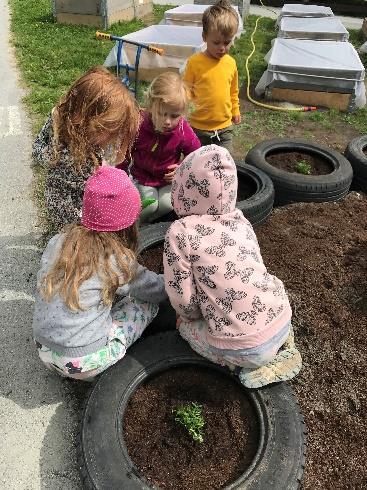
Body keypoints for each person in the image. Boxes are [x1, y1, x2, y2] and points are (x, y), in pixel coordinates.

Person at [163, 145, 302, 389]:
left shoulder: (181, 232)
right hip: (281, 316)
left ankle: (240, 367)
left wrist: (187, 318)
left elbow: (182, 295)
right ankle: (282, 345)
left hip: (244, 347)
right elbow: (254, 265)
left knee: (186, 330)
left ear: (184, 188)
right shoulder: (240, 220)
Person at [32, 166, 167, 381]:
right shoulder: (115, 259)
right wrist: (172, 282)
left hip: (43, 347)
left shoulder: (59, 242)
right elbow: (156, 290)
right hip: (84, 361)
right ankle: (96, 371)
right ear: (129, 223)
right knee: (145, 303)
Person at [32, 66, 140, 231]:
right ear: (84, 119)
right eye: (106, 130)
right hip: (64, 203)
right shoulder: (58, 121)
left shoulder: (98, 139)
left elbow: (112, 162)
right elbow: (37, 150)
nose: (109, 137)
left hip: (93, 201)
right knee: (73, 238)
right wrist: (55, 157)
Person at [118, 72, 201, 224]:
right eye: (162, 114)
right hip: (142, 177)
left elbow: (197, 155)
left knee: (167, 204)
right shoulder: (140, 124)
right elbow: (125, 150)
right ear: (151, 106)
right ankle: (132, 227)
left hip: (167, 181)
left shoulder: (182, 130)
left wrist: (181, 169)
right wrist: (120, 176)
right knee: (149, 205)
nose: (167, 121)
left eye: (174, 115)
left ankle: (149, 225)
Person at [182, 0, 241, 153]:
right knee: (198, 165)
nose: (222, 48)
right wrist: (182, 112)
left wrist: (235, 110)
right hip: (198, 128)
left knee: (225, 163)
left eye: (227, 42)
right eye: (216, 42)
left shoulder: (231, 63)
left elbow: (233, 91)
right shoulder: (195, 62)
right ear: (204, 37)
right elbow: (186, 90)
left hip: (224, 128)